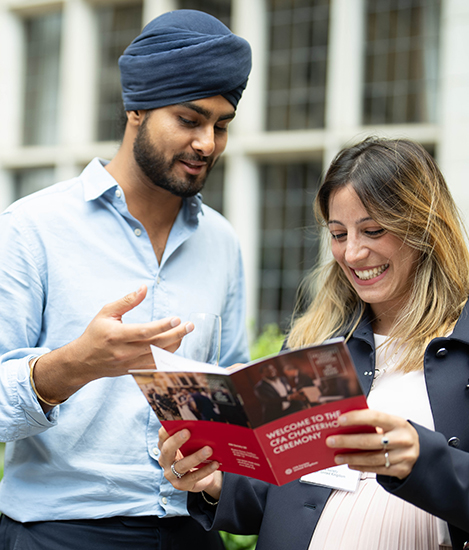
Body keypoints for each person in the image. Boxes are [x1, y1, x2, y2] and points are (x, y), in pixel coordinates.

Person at [0, 9, 251, 550]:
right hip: (61, 533)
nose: (208, 142)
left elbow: (231, 387)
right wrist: (71, 367)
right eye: (190, 119)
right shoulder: (32, 228)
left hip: (192, 529)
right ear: (136, 108)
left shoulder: (223, 242)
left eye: (222, 125)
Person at [158, 137, 469, 549]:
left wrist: (419, 457)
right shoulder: (316, 339)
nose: (353, 253)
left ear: (424, 225)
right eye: (338, 234)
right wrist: (218, 481)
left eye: (373, 230)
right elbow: (276, 493)